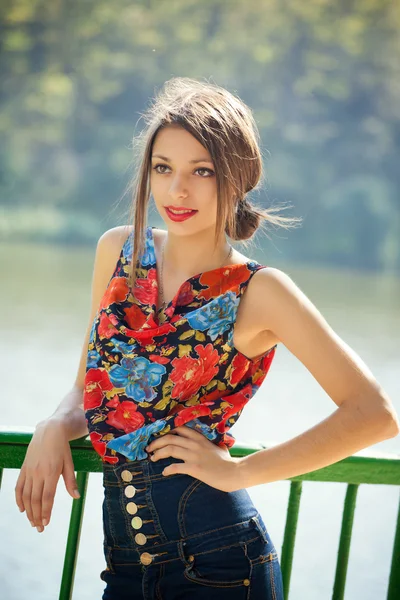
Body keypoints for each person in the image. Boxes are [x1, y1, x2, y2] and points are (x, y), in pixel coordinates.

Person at [15, 77, 399, 599]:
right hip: (124, 561)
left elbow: (374, 414)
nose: (178, 191)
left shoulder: (261, 291)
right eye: (163, 168)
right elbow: (92, 386)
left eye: (203, 171)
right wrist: (55, 424)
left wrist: (239, 471)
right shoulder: (117, 254)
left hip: (218, 563)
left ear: (237, 179)